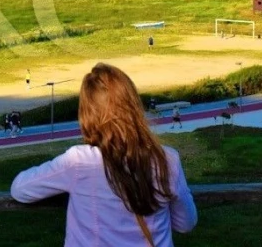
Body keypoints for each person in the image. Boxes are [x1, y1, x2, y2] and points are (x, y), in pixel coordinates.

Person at [10, 63, 197, 246]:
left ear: (87, 113)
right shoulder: (167, 159)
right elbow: (185, 224)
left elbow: (20, 189)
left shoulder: (79, 162)